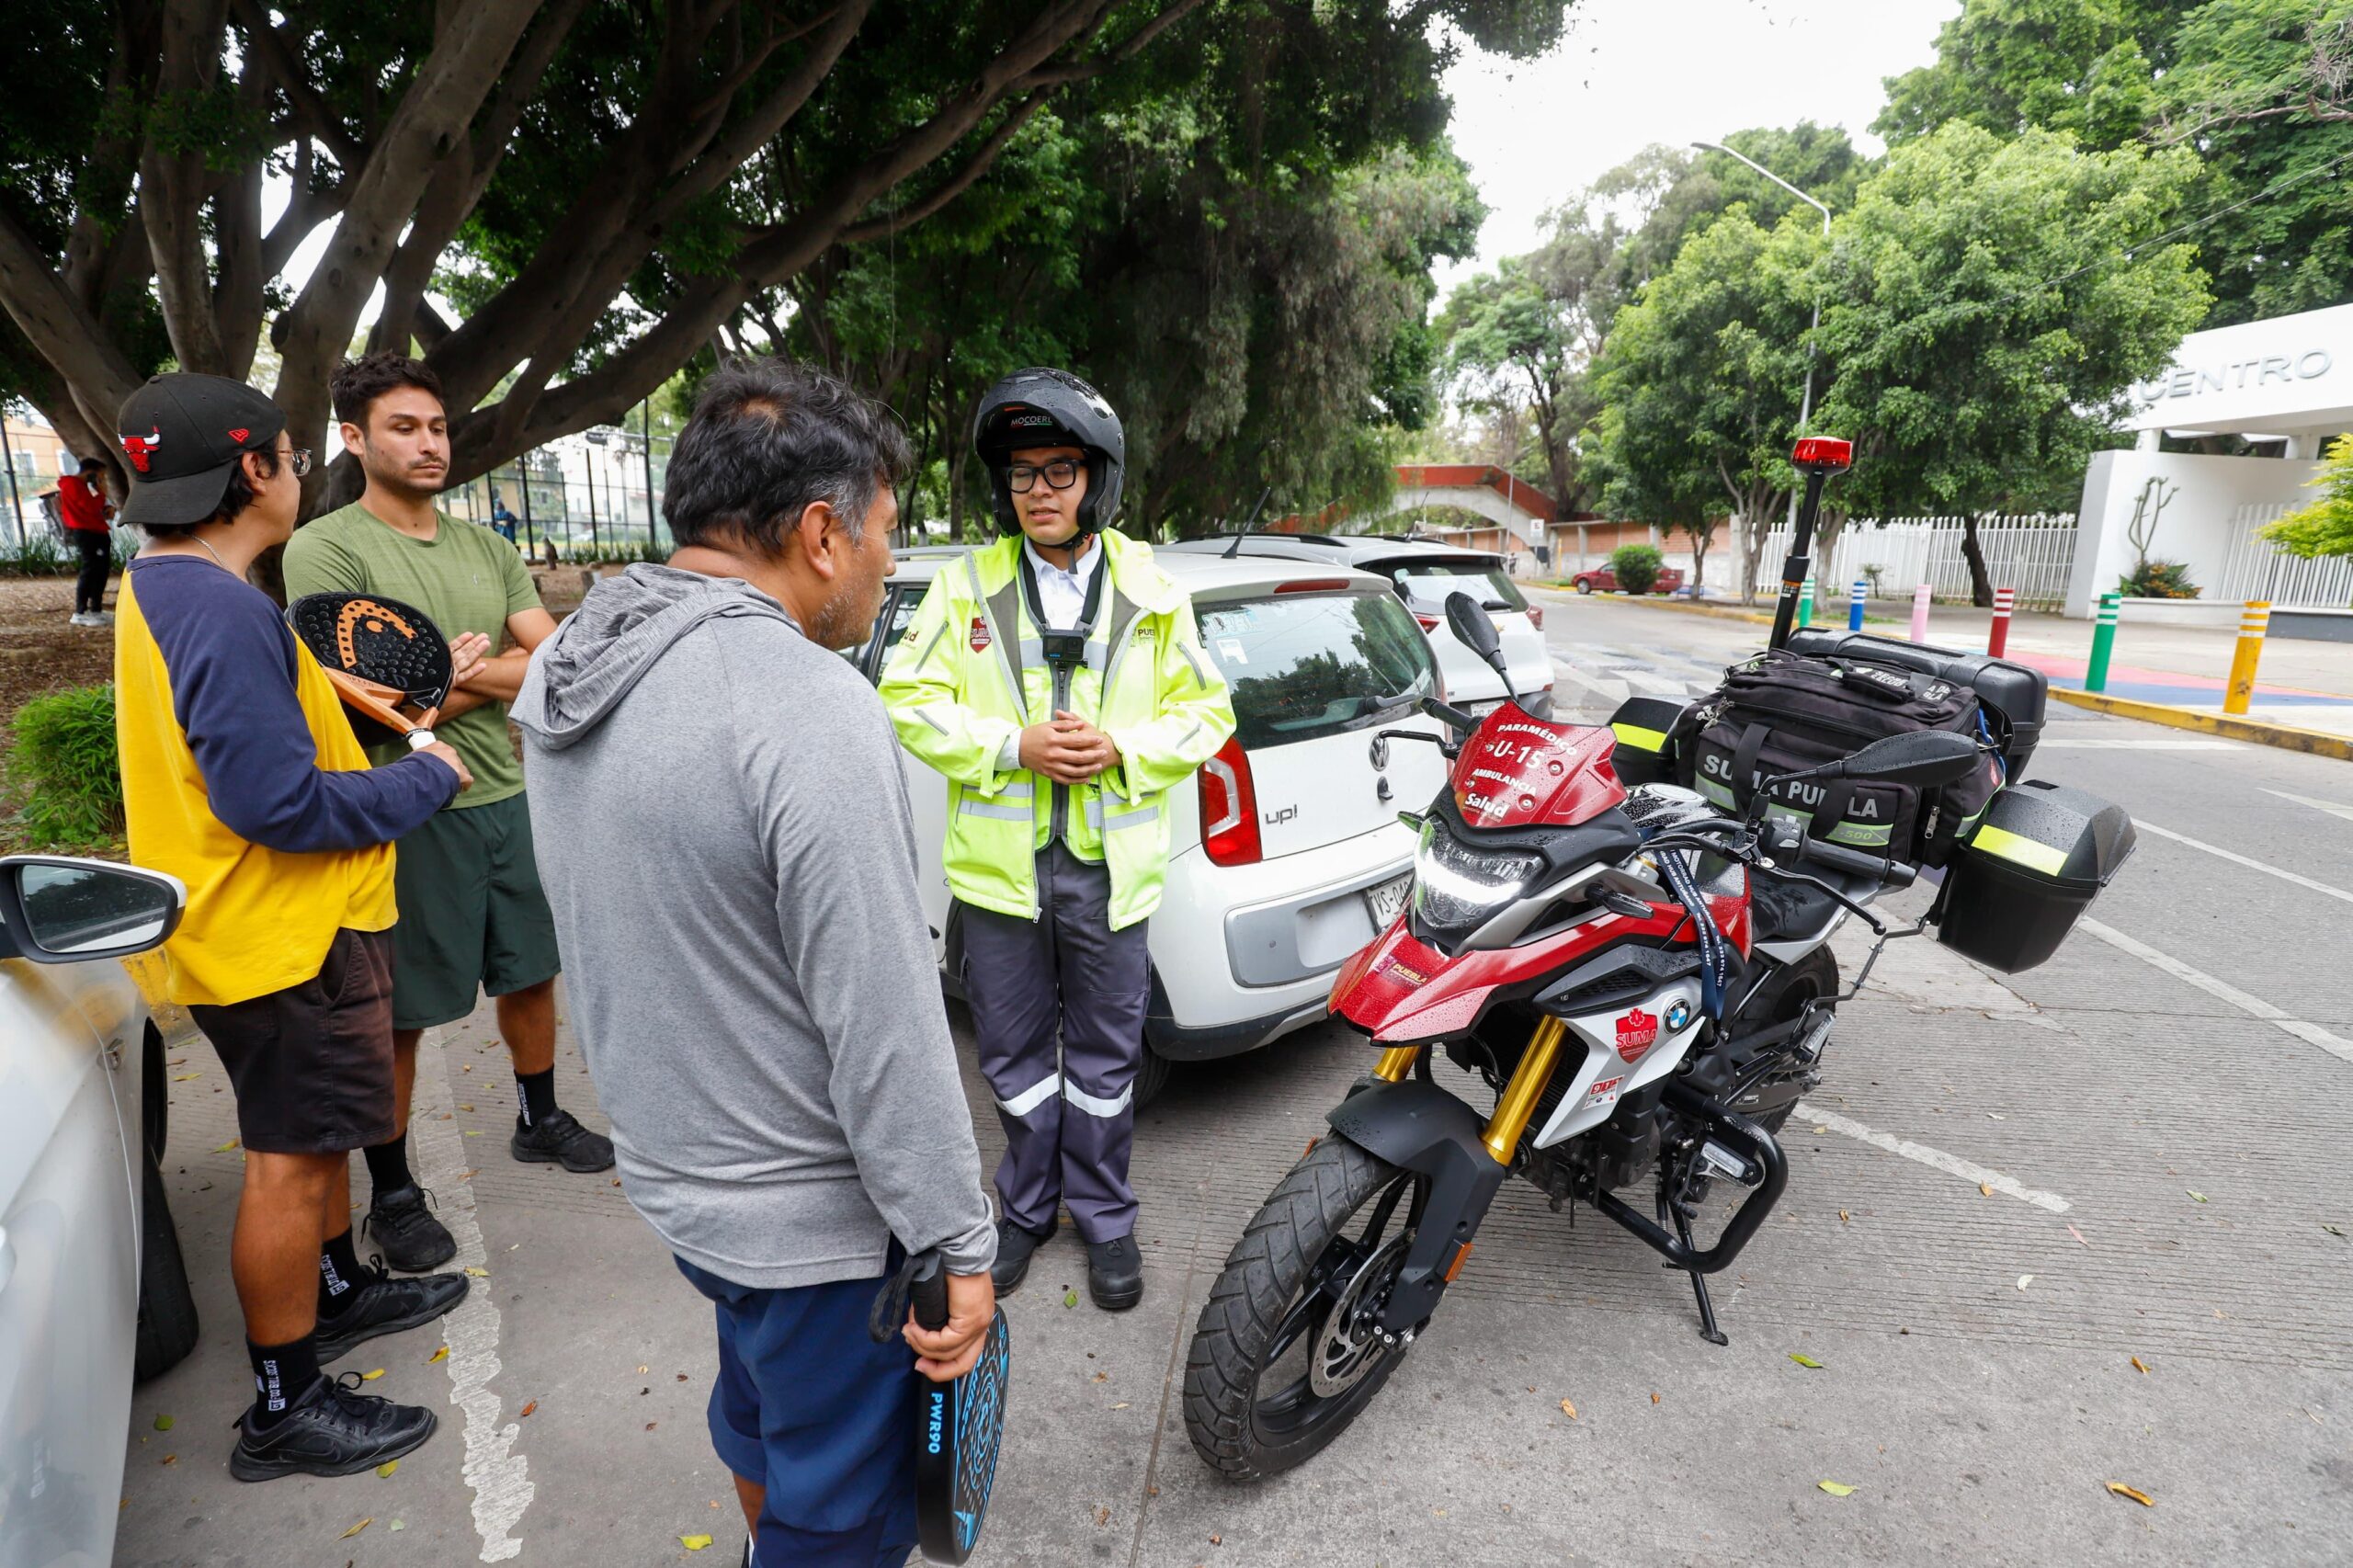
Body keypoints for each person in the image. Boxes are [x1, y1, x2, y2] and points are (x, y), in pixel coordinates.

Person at [513, 357, 995, 1567]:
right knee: (842, 1513)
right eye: (887, 533)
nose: (889, 565)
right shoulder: (802, 703)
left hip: (686, 1182)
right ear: (821, 533)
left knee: (761, 1416)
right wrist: (957, 1241)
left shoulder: (577, 664)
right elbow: (885, 1023)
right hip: (814, 1222)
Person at [109, 371, 474, 1480]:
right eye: (289, 455)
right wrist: (426, 779)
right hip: (282, 940)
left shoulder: (168, 581)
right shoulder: (217, 605)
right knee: (290, 1157)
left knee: (311, 1151)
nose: (297, 472)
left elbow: (251, 737)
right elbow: (274, 802)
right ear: (256, 470)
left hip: (262, 929)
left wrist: (356, 701)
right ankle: (286, 1402)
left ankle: (339, 1289)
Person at [878, 368, 1234, 1312]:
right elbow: (906, 699)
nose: (1038, 489)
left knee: (1109, 1062)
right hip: (999, 881)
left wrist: (1121, 747)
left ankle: (1106, 1216)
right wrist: (1010, 744)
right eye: (1022, 472)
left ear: (1097, 479)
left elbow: (1206, 713)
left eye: (1060, 469)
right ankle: (1027, 1207)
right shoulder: (966, 586)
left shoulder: (1153, 589)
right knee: (1015, 1057)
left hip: (1108, 873)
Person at [284, 351, 611, 1278]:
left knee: (530, 973)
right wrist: (467, 678)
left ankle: (539, 1115)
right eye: (404, 427)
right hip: (408, 805)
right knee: (404, 1013)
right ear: (354, 438)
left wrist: (446, 674)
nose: (428, 444)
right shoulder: (327, 547)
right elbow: (375, 704)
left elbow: (560, 667)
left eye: (436, 427)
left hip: (513, 796)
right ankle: (393, 1190)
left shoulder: (488, 548)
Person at [59, 452, 115, 625]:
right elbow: (89, 507)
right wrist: (100, 492)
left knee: (101, 570)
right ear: (90, 472)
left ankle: (96, 609)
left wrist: (106, 506)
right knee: (90, 570)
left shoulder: (86, 487)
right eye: (100, 476)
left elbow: (94, 508)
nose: (102, 480)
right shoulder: (72, 485)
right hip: (87, 533)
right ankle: (80, 611)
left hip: (97, 530)